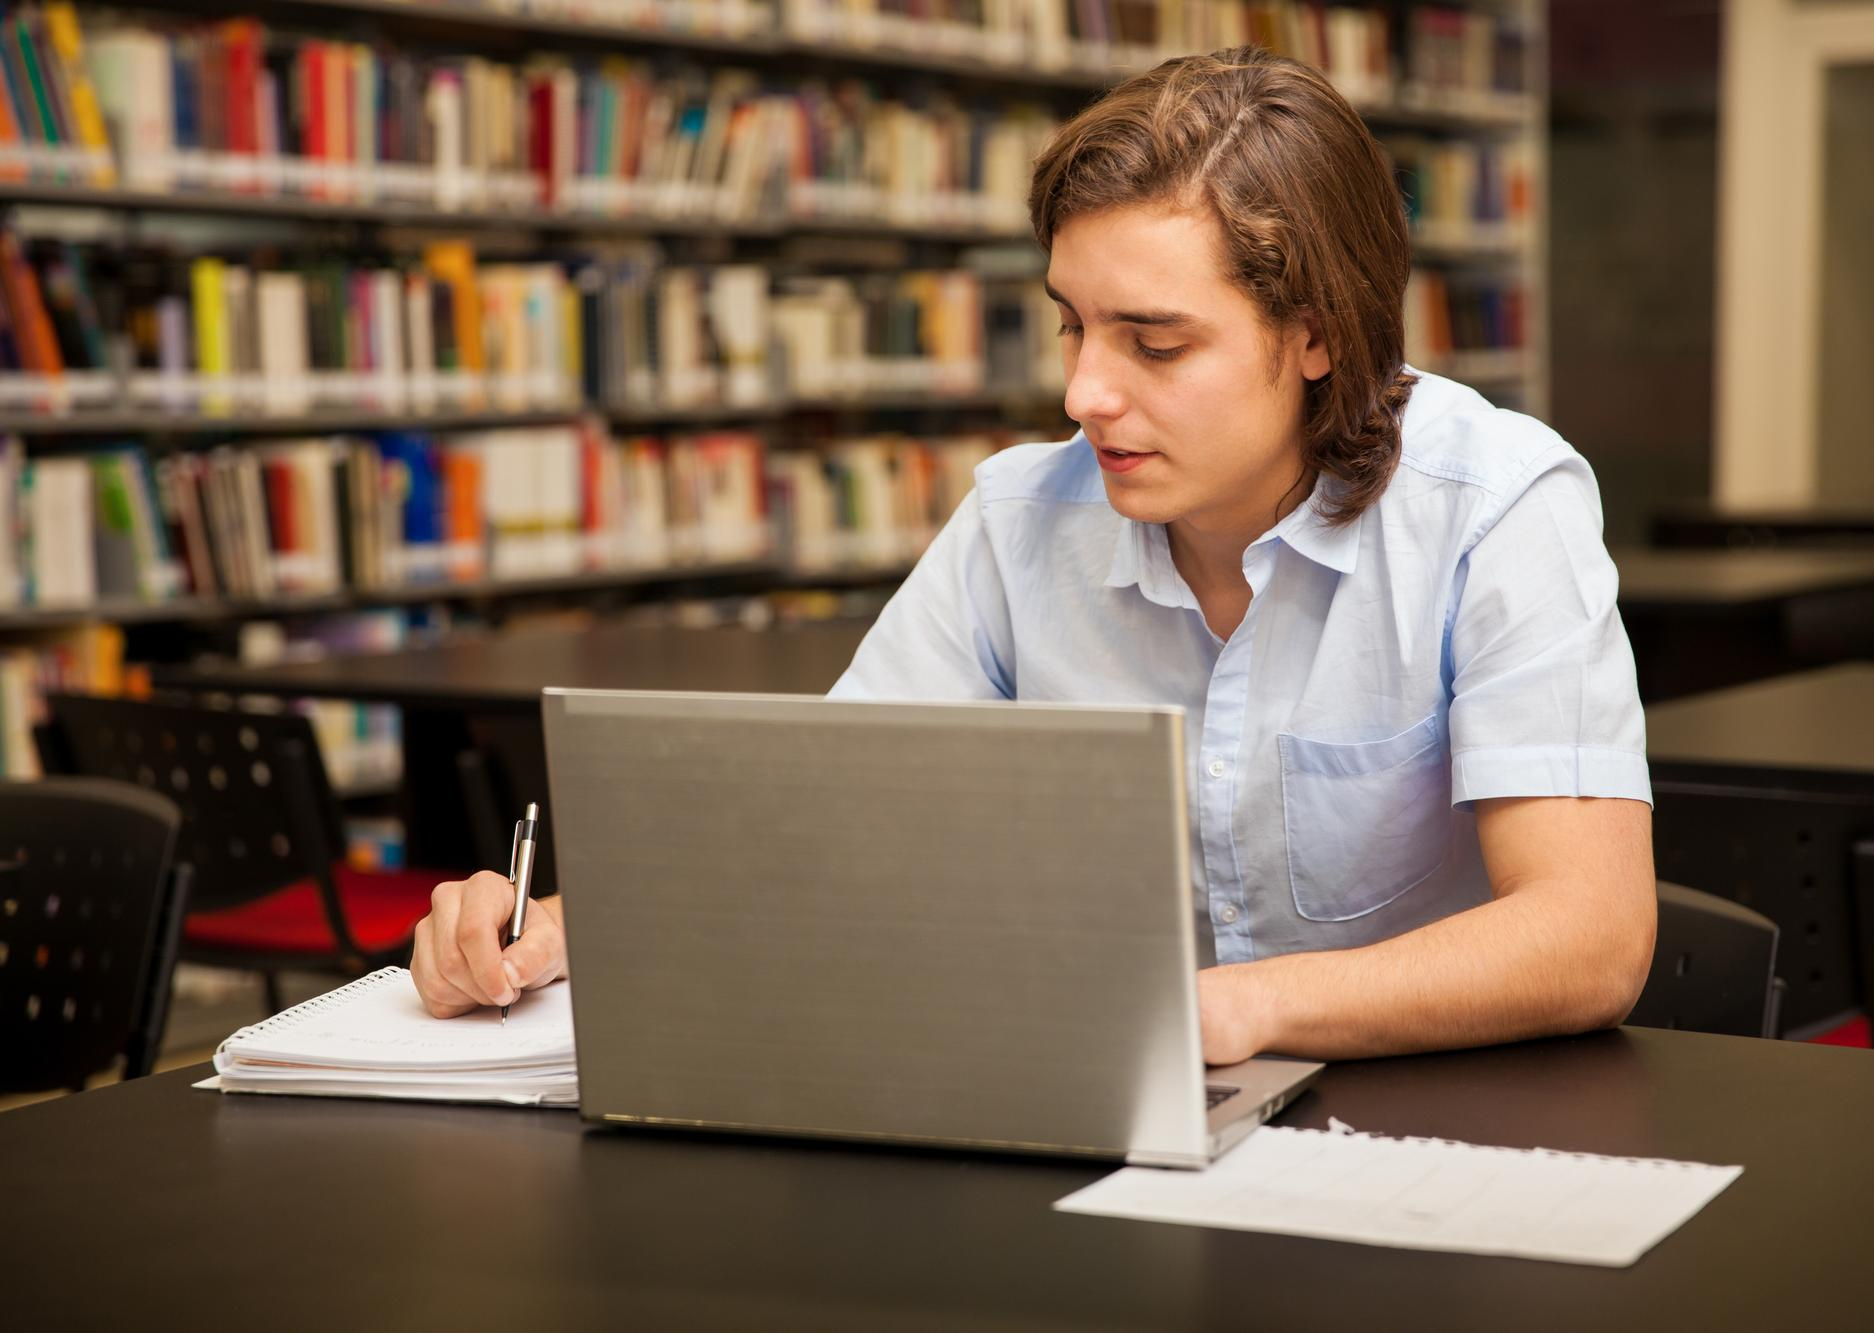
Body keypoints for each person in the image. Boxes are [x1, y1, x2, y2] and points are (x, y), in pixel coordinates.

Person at [411, 46, 1657, 1065]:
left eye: (1152, 344)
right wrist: (556, 926)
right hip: (1115, 1129)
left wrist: (1242, 1007)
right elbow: (820, 831)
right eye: (1071, 326)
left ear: (1316, 333)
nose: (1081, 395)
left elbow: (1588, 936)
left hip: (1435, 1141)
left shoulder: (1493, 506)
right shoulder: (1022, 519)